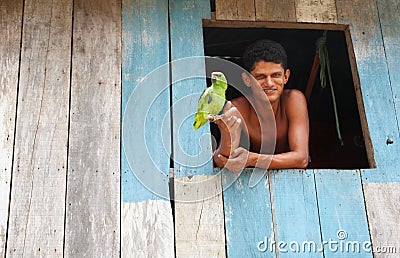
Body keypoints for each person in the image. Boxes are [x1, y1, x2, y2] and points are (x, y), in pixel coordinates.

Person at [211, 39, 309, 173]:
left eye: (276, 75)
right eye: (261, 77)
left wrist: (252, 159)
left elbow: (301, 158)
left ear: (286, 77)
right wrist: (226, 133)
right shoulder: (238, 108)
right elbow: (221, 159)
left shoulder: (293, 99)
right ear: (247, 80)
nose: (269, 83)